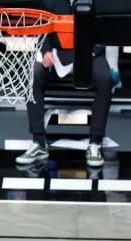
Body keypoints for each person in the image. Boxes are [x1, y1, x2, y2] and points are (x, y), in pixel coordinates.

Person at [15, 0, 114, 167]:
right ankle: (39, 142)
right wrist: (45, 51)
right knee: (32, 75)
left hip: (90, 53)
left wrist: (87, 53)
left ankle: (95, 142)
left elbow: (105, 31)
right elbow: (41, 29)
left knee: (105, 78)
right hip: (57, 53)